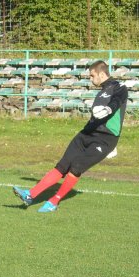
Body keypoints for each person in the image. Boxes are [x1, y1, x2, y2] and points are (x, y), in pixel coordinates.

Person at [12, 60, 129, 213]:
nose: (90, 79)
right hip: (87, 132)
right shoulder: (102, 90)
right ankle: (30, 194)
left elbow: (116, 102)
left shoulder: (120, 87)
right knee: (62, 165)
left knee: (77, 167)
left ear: (101, 73)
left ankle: (54, 201)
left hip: (105, 139)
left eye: (92, 76)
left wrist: (108, 109)